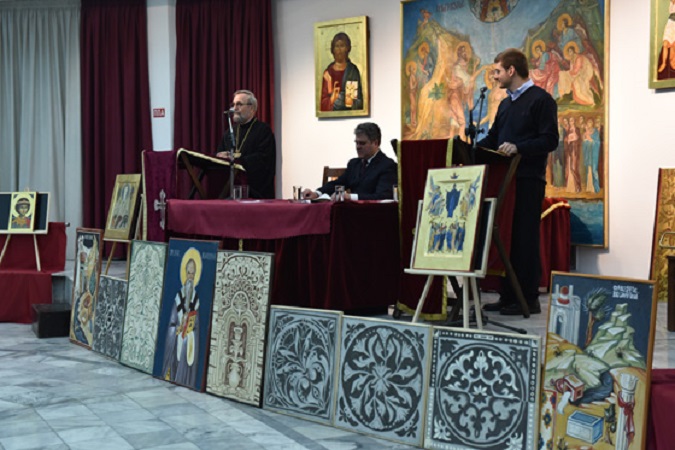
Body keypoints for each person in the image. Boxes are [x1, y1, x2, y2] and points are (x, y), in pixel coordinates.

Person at [477, 48, 559, 316]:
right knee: (506, 238)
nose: (495, 76)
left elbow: (550, 140)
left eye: (497, 71)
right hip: (504, 182)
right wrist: (469, 150)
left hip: (527, 180)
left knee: (524, 239)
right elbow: (493, 139)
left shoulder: (541, 100)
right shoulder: (505, 105)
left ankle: (528, 298)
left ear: (512, 70)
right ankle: (507, 295)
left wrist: (518, 147)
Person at [302, 122, 397, 201]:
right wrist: (317, 193)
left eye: (362, 143)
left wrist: (350, 197)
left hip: (373, 214)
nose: (358, 147)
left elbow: (382, 196)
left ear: (375, 143)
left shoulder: (387, 165)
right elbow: (338, 183)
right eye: (356, 143)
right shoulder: (354, 164)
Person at [216, 89, 276, 199]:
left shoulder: (263, 130)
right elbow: (220, 155)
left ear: (251, 108)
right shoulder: (229, 132)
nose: (234, 108)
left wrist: (238, 160)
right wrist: (221, 156)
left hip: (256, 193)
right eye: (233, 104)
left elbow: (264, 160)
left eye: (239, 104)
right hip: (231, 192)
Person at [162, 250, 201, 387]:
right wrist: (178, 330)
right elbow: (171, 324)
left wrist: (190, 333)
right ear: (185, 273)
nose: (190, 277)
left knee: (186, 343)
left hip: (188, 344)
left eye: (193, 273)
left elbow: (197, 329)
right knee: (180, 342)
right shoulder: (178, 297)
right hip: (178, 342)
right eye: (188, 273)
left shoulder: (196, 300)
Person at [320, 32, 363, 111]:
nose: (339, 50)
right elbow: (323, 104)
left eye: (342, 46)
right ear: (333, 49)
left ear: (347, 48)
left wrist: (343, 98)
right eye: (337, 46)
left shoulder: (352, 71)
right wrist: (332, 99)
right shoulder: (328, 73)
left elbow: (357, 101)